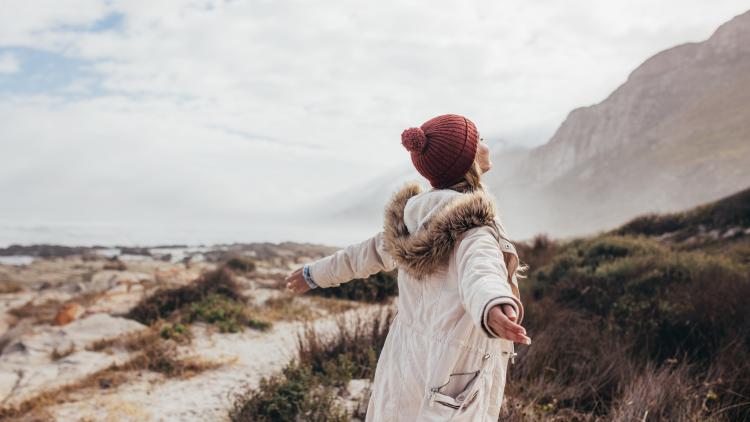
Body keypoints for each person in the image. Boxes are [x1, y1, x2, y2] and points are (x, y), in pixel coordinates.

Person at [285, 113, 531, 421]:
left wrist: (313, 275)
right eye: (479, 139)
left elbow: (358, 257)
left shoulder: (411, 222)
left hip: (405, 357)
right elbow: (481, 271)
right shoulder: (475, 229)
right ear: (467, 161)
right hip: (452, 368)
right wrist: (493, 305)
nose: (485, 144)